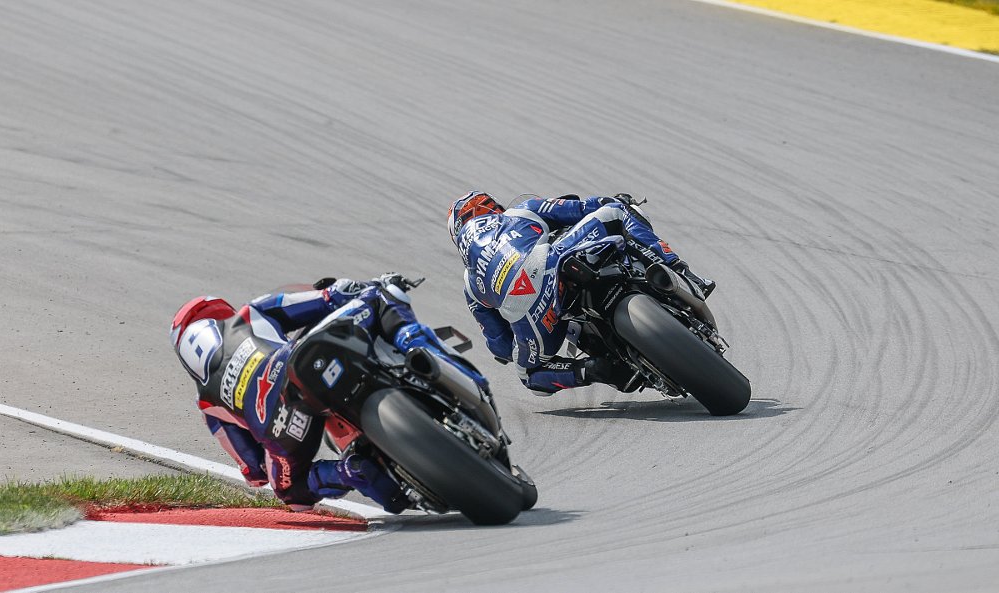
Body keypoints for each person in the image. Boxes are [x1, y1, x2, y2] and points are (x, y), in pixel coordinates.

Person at [169, 274, 434, 513]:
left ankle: (347, 471)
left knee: (290, 493)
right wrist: (367, 289)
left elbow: (253, 471)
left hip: (281, 427)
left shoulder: (206, 404)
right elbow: (326, 299)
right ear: (222, 313)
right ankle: (424, 356)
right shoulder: (250, 314)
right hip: (297, 366)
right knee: (380, 299)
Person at [447, 191, 715, 395]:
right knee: (617, 213)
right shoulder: (521, 211)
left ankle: (594, 370)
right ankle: (684, 274)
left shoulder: (471, 286)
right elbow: (587, 207)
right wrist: (618, 199)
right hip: (553, 258)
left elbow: (501, 346)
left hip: (532, 311)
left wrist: (515, 343)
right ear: (490, 207)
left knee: (530, 375)